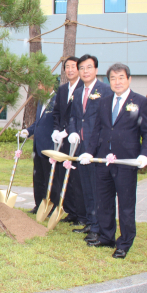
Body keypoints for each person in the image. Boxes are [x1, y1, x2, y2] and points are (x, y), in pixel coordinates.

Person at [79, 63, 147, 259]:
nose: (117, 82)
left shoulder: (140, 102)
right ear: (109, 81)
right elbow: (97, 130)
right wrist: (89, 152)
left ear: (129, 79)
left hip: (126, 162)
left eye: (121, 77)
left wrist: (144, 154)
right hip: (103, 161)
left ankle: (124, 242)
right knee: (104, 202)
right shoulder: (104, 102)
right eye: (113, 78)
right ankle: (106, 236)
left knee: (126, 205)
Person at [67, 54, 113, 244]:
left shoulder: (105, 90)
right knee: (85, 186)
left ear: (96, 69)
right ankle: (90, 221)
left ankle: (98, 227)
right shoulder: (78, 92)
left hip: (97, 148)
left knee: (97, 189)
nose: (85, 71)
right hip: (81, 146)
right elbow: (74, 118)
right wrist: (72, 132)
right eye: (82, 68)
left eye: (89, 67)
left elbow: (107, 121)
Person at [51, 56, 86, 226]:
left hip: (77, 138)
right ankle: (70, 210)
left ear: (79, 69)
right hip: (63, 139)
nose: (70, 69)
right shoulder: (63, 89)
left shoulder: (83, 87)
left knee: (77, 177)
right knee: (64, 175)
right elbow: (57, 111)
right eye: (67, 67)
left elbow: (80, 115)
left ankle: (82, 213)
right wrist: (57, 130)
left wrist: (69, 131)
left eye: (74, 66)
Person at [20, 86, 57, 211]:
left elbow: (58, 123)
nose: (39, 87)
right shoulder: (41, 101)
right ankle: (39, 204)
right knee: (38, 178)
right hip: (38, 146)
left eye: (42, 84)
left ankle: (50, 207)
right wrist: (28, 131)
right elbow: (38, 122)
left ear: (50, 84)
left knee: (49, 179)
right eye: (39, 84)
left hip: (50, 147)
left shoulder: (56, 100)